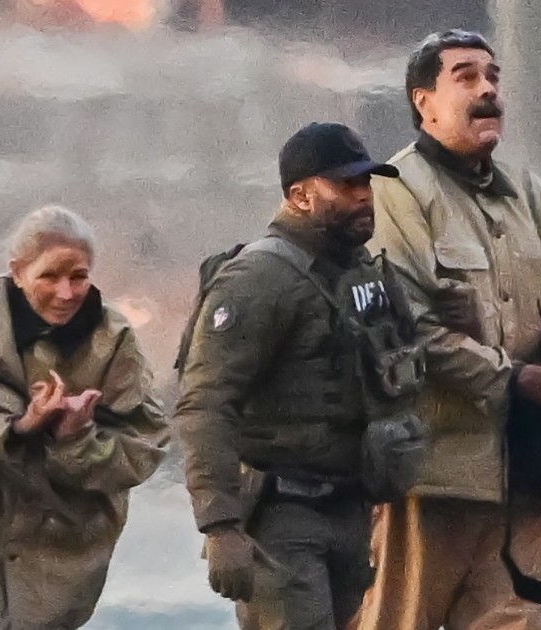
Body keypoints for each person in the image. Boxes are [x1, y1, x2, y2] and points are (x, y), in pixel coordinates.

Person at [351, 30, 541, 630]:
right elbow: (408, 328)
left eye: (493, 76)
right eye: (465, 77)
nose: (487, 89)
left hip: (519, 478)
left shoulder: (532, 197)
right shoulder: (394, 191)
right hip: (426, 478)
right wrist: (524, 380)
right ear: (424, 102)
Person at [175, 122, 426, 630]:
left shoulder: (361, 270)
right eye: (346, 185)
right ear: (300, 196)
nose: (364, 196)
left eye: (366, 183)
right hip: (283, 517)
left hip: (350, 510)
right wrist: (220, 525)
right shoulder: (259, 278)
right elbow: (206, 403)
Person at [0, 205, 169, 630]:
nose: (66, 292)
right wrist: (15, 428)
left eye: (79, 276)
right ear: (18, 272)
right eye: (49, 276)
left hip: (63, 542)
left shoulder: (113, 340)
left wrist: (74, 437)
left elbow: (144, 446)